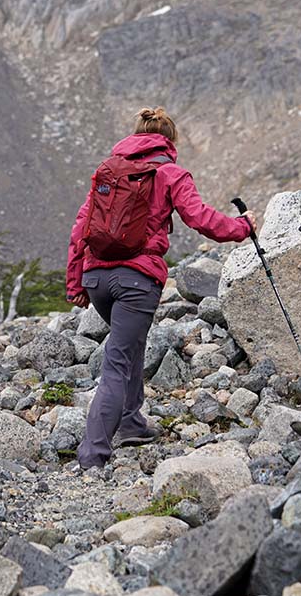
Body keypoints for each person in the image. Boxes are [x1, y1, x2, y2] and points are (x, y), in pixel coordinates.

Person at [66, 107, 254, 474]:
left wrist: (76, 283)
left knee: (129, 345)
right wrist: (243, 228)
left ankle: (132, 422)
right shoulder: (170, 173)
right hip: (137, 281)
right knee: (117, 364)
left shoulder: (108, 172)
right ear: (170, 142)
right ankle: (92, 456)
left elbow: (79, 229)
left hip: (97, 280)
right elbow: (201, 219)